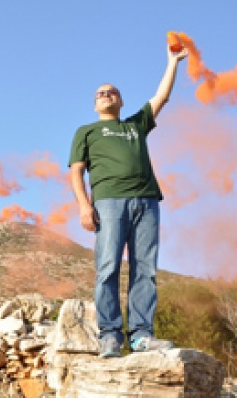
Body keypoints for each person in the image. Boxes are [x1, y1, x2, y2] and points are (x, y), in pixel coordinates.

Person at [68, 44, 189, 358]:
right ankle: (110, 336)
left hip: (146, 202)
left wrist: (172, 63)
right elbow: (76, 171)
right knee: (108, 266)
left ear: (120, 101)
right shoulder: (87, 132)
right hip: (109, 202)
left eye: (112, 92)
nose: (107, 94)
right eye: (101, 93)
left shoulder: (135, 125)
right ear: (95, 103)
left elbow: (161, 97)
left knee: (145, 268)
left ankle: (141, 335)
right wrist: (84, 205)